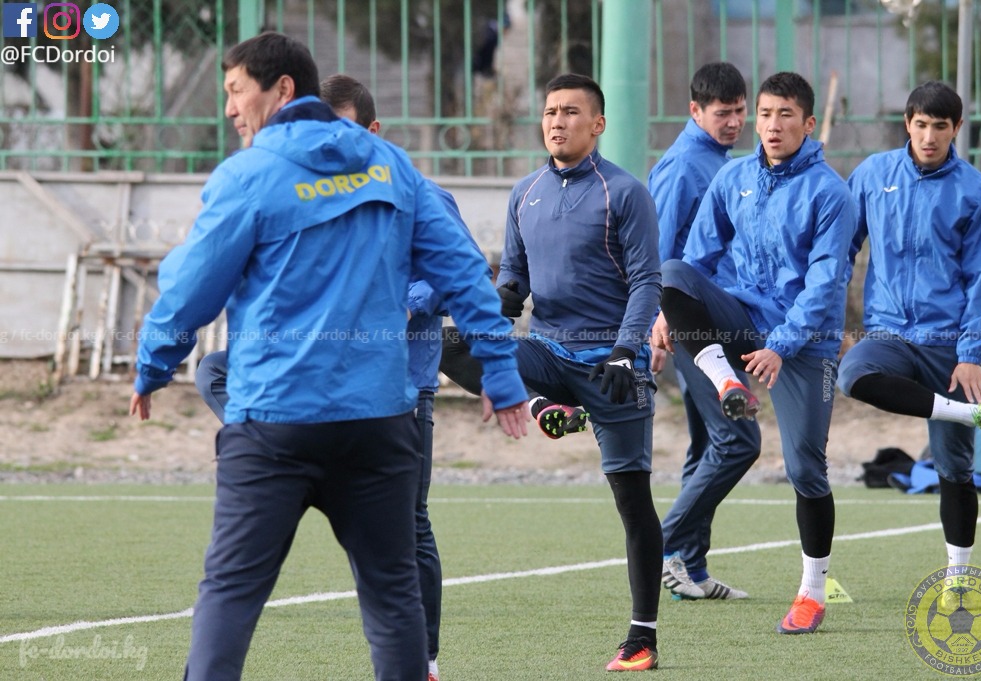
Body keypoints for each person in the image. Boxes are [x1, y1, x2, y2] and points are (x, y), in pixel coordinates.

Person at [130, 32, 529, 681]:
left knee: (230, 593)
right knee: (392, 596)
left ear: (281, 89)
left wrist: (152, 364)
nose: (229, 108)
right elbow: (464, 274)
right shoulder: (392, 166)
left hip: (274, 423)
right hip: (377, 425)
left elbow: (190, 290)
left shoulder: (248, 174)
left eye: (235, 91)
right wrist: (501, 376)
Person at [193, 73, 467, 681]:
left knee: (409, 532)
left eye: (342, 132)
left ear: (373, 131)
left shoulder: (417, 191)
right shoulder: (294, 188)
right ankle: (271, 441)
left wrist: (404, 304)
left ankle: (425, 659)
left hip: (397, 394)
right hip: (304, 396)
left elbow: (459, 272)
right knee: (214, 368)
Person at [441, 73, 664, 671]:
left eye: (570, 112)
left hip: (612, 364)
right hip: (546, 353)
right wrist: (491, 307)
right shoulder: (525, 193)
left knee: (632, 501)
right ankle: (542, 408)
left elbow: (648, 282)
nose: (557, 121)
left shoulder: (626, 193)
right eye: (549, 112)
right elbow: (514, 279)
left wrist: (626, 350)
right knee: (446, 344)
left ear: (598, 124)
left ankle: (642, 637)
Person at [657, 72, 855, 635]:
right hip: (740, 323)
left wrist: (780, 346)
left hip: (803, 343)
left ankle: (811, 592)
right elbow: (695, 259)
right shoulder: (733, 177)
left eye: (784, 114)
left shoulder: (831, 193)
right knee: (671, 273)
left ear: (808, 123)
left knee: (805, 468)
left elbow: (825, 286)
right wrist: (667, 314)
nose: (771, 125)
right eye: (765, 114)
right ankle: (726, 380)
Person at [837, 81, 981, 575]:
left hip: (947, 342)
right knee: (852, 375)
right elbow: (840, 248)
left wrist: (971, 354)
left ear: (957, 128)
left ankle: (958, 576)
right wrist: (830, 317)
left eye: (940, 126)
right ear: (908, 124)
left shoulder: (974, 191)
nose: (929, 136)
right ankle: (969, 415)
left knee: (955, 469)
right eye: (921, 125)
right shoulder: (873, 174)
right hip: (889, 333)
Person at [647, 61, 758, 601]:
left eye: (740, 111)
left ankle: (687, 567)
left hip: (715, 319)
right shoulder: (685, 167)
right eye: (723, 113)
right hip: (691, 326)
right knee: (737, 442)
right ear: (695, 110)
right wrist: (658, 319)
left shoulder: (719, 159)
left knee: (708, 443)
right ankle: (661, 547)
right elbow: (659, 255)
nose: (734, 122)